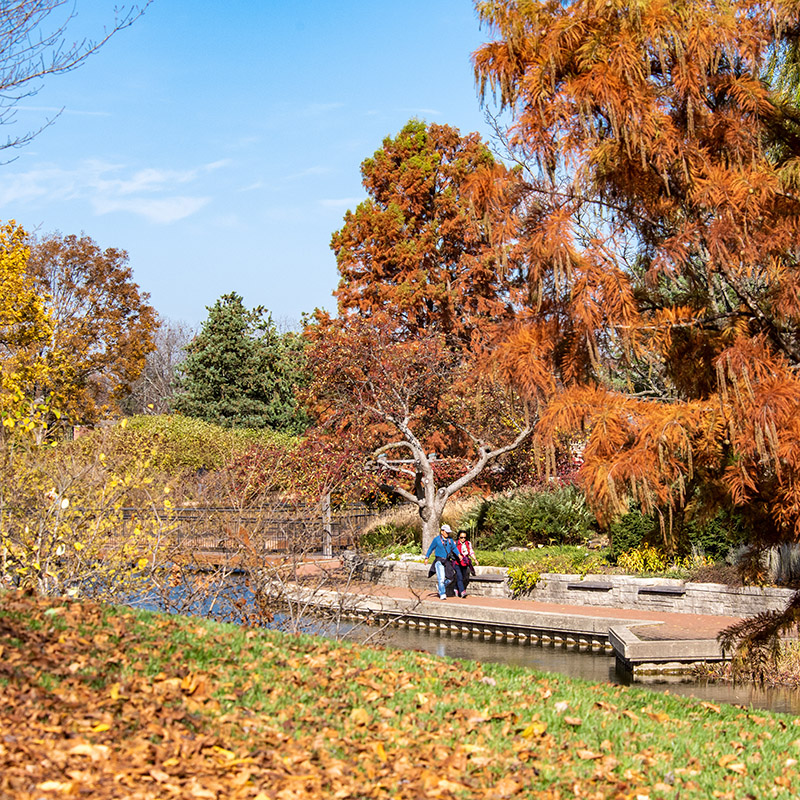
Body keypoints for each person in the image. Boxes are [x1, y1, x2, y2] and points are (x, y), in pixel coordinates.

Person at [425, 523, 463, 599]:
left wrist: (459, 554)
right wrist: (427, 557)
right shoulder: (436, 540)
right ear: (442, 531)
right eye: (446, 532)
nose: (447, 534)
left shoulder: (450, 540)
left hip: (447, 561)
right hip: (439, 561)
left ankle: (440, 586)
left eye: (448, 532)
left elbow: (454, 548)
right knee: (441, 578)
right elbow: (431, 548)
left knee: (450, 578)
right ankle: (442, 593)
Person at [454, 529, 478, 596]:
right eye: (461, 537)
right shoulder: (455, 543)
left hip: (464, 562)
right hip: (457, 562)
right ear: (459, 537)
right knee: (459, 576)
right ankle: (462, 591)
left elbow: (471, 552)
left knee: (463, 576)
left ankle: (455, 588)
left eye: (464, 537)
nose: (463, 539)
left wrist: (475, 559)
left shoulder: (468, 543)